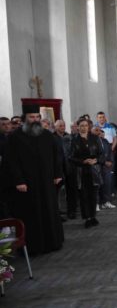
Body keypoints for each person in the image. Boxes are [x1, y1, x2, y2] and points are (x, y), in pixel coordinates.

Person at [3, 104, 64, 254]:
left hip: (46, 182)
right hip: (27, 184)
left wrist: (57, 174)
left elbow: (56, 156)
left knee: (49, 211)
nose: (35, 120)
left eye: (37, 117)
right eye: (31, 117)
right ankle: (33, 246)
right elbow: (11, 162)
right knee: (31, 214)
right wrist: (19, 181)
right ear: (24, 119)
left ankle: (52, 243)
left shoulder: (47, 135)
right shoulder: (15, 137)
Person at [70, 118, 105, 228]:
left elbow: (102, 154)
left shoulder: (95, 138)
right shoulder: (74, 140)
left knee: (93, 195)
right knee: (84, 195)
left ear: (88, 126)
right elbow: (70, 157)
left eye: (86, 125)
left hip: (94, 170)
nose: (84, 127)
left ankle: (93, 216)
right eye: (81, 125)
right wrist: (83, 161)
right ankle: (87, 218)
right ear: (78, 127)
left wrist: (96, 160)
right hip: (81, 171)